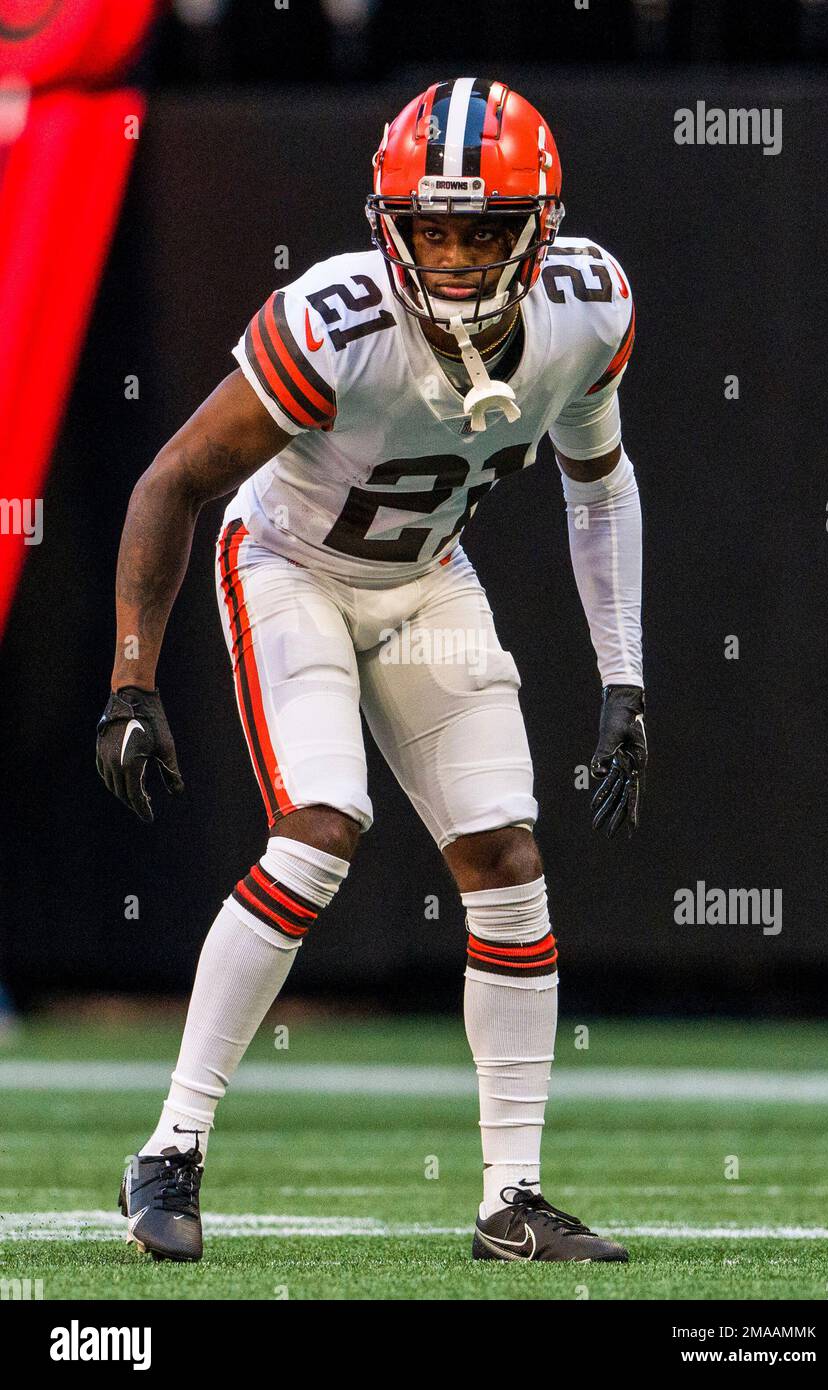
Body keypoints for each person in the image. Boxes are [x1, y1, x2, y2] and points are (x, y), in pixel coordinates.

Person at [97, 77, 646, 1263]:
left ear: (536, 230)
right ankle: (171, 1147)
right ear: (387, 224)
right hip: (290, 562)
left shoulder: (585, 309)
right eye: (429, 227)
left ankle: (510, 1197)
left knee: (504, 853)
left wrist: (624, 676)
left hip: (423, 579)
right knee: (318, 827)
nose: (450, 256)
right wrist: (132, 679)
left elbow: (596, 482)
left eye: (479, 229)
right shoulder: (332, 323)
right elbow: (171, 481)